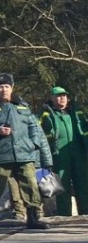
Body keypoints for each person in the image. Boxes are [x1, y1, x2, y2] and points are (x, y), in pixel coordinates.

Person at [0, 73, 52, 232]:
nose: (4, 90)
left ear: (12, 87)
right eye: (0, 87)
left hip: (25, 153)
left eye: (7, 86)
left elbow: (33, 126)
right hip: (2, 154)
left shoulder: (21, 104)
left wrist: (33, 143)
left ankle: (33, 218)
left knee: (30, 184)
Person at [39, 85, 88, 216]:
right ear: (52, 98)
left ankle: (86, 214)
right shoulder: (45, 113)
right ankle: (64, 215)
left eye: (64, 96)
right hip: (59, 154)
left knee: (83, 183)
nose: (62, 98)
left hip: (80, 153)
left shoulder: (77, 111)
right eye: (58, 96)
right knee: (62, 186)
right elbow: (36, 131)